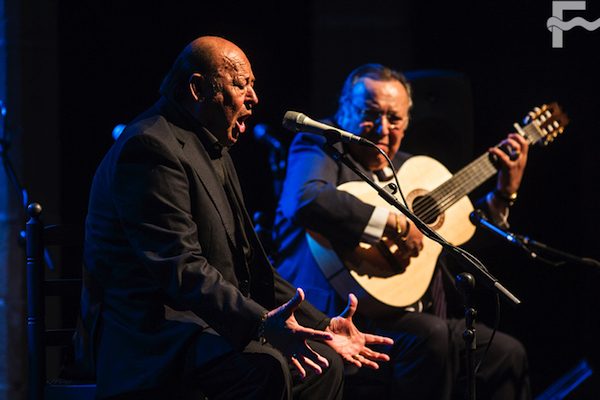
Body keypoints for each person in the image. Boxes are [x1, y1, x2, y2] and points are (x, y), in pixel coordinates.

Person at [77, 37, 394, 400]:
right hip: (152, 335)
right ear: (197, 89)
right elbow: (182, 269)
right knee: (267, 368)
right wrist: (262, 324)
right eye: (241, 85)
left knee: (323, 363)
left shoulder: (213, 146)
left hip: (201, 326)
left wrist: (322, 326)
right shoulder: (149, 148)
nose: (254, 99)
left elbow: (252, 265)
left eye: (253, 86)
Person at [273, 63, 531, 399]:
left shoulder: (414, 171)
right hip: (342, 313)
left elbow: (461, 245)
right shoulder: (319, 147)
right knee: (431, 337)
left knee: (507, 354)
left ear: (408, 123)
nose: (382, 128)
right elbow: (305, 198)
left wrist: (502, 195)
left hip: (419, 313)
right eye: (369, 114)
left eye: (394, 119)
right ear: (343, 111)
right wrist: (391, 223)